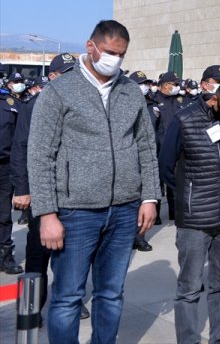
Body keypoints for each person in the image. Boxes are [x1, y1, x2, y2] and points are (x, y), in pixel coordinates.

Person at [28, 20, 160, 344]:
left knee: (111, 294)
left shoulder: (130, 91)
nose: (115, 59)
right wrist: (47, 214)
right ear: (91, 47)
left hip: (124, 209)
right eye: (110, 52)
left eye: (121, 54)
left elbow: (146, 146)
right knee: (67, 297)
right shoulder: (59, 92)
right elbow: (40, 155)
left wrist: (150, 196)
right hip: (75, 212)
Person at [159, 76, 220, 344]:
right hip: (195, 220)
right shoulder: (185, 120)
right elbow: (166, 165)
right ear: (214, 101)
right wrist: (189, 195)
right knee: (189, 288)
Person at [11, 53, 78, 309]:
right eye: (66, 74)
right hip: (42, 190)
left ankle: (68, 298)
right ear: (52, 77)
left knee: (71, 253)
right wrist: (23, 188)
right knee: (38, 253)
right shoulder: (34, 105)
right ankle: (32, 306)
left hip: (73, 193)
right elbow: (21, 148)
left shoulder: (80, 103)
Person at [129, 70, 159, 251]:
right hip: (131, 157)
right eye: (141, 83)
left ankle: (139, 236)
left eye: (146, 83)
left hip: (149, 154)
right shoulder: (127, 103)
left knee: (144, 198)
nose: (145, 87)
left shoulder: (152, 104)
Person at [0, 72, 25, 274]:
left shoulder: (11, 104)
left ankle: (4, 255)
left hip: (5, 166)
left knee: (3, 213)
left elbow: (19, 140)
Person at [153, 71, 185, 222]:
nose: (177, 86)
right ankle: (156, 214)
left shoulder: (179, 100)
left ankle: (174, 212)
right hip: (160, 147)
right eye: (175, 84)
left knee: (174, 180)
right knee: (157, 182)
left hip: (176, 147)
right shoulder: (154, 100)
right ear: (166, 85)